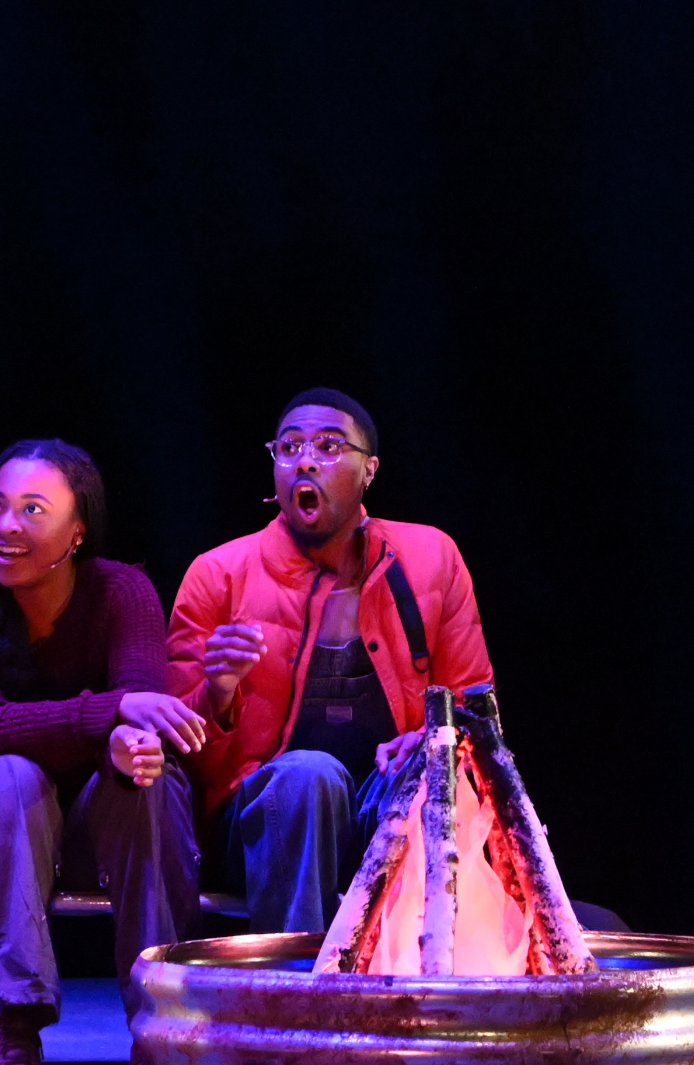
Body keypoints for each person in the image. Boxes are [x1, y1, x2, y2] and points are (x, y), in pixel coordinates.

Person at [0, 440, 202, 1065]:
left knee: (151, 781)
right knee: (11, 774)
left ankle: (163, 1031)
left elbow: (141, 707)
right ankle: (9, 1032)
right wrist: (110, 713)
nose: (7, 525)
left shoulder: (123, 591)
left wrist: (131, 745)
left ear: (77, 531)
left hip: (85, 829)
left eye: (32, 510)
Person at [166, 389, 494, 936]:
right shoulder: (218, 574)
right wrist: (217, 694)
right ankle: (298, 999)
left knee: (432, 780)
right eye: (289, 447)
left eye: (328, 445)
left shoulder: (431, 558)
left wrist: (433, 741)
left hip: (382, 808)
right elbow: (177, 753)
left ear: (370, 470)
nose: (306, 459)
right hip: (261, 824)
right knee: (308, 776)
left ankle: (431, 997)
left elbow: (473, 707)